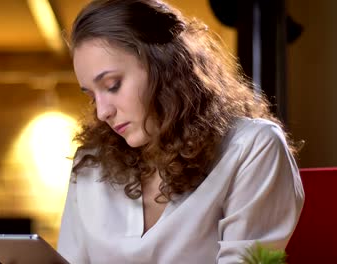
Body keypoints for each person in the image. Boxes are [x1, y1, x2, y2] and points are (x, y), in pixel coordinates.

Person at [57, 0, 305, 263]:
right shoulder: (90, 162)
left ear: (164, 66)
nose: (102, 112)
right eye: (92, 96)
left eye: (113, 85)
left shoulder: (252, 148)